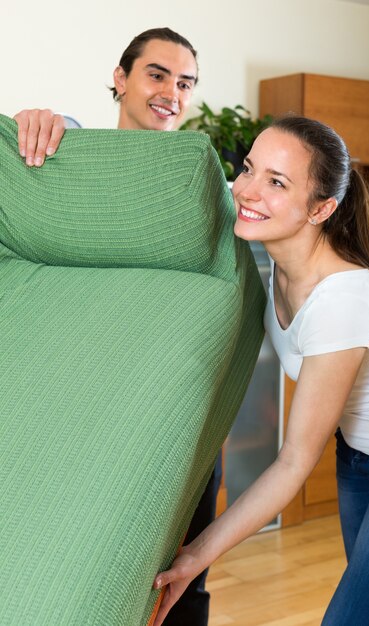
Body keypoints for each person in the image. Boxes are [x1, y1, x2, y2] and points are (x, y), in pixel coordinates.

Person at [152, 114, 369, 626]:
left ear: (321, 208)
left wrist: (194, 557)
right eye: (249, 169)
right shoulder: (276, 261)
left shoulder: (343, 299)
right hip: (361, 459)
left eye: (277, 182)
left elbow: (294, 462)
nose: (248, 190)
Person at [13, 27, 222, 626]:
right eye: (158, 74)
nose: (172, 93)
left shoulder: (200, 181)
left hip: (178, 403)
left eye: (185, 83)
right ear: (120, 78)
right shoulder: (68, 153)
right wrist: (34, 121)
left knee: (181, 580)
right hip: (89, 399)